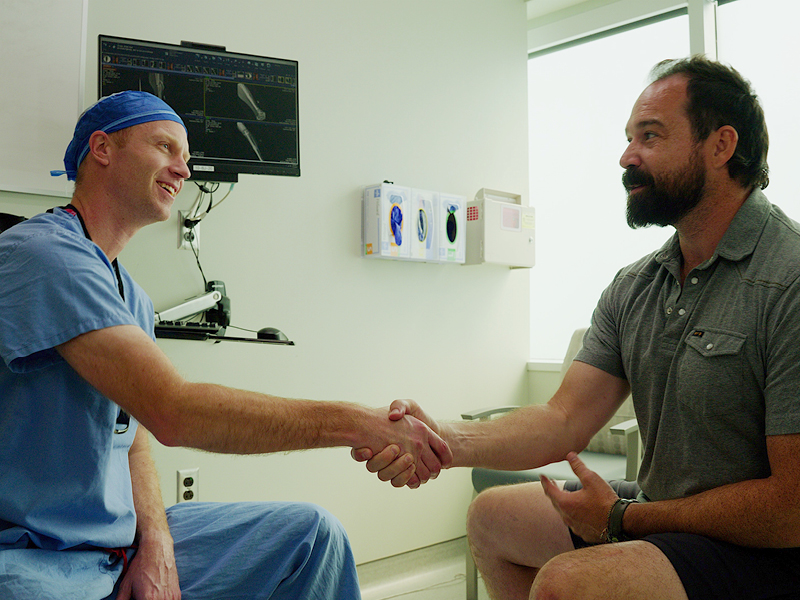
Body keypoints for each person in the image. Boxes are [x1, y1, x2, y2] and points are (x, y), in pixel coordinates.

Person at [356, 56, 800, 599]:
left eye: (650, 136)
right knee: (493, 517)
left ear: (720, 146)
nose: (627, 156)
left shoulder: (788, 281)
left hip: (768, 550)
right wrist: (438, 438)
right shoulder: (637, 285)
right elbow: (562, 419)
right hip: (662, 516)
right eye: (629, 137)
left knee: (568, 584)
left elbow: (792, 508)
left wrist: (624, 519)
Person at [0, 90, 452, 600]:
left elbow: (137, 434)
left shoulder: (134, 296)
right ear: (103, 148)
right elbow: (173, 411)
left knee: (310, 538)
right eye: (166, 147)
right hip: (31, 553)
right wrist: (360, 423)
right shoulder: (42, 254)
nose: (183, 170)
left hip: (115, 543)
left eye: (187, 159)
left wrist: (157, 544)